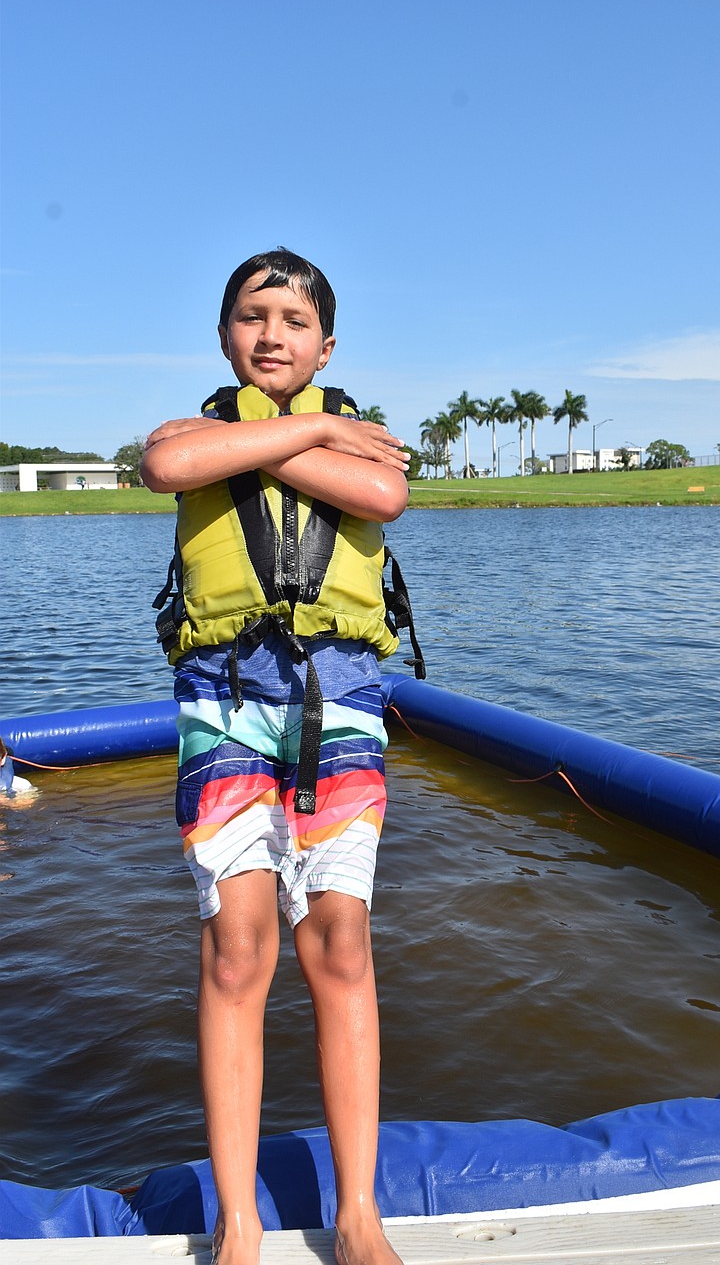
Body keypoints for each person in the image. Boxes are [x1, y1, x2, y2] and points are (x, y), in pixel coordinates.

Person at [141, 247, 411, 1265]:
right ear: (224, 336)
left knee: (339, 943)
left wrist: (288, 437)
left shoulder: (368, 450)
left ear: (326, 346)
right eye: (252, 317)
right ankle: (240, 1222)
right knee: (238, 946)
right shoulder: (184, 433)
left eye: (293, 322)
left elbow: (380, 500)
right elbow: (169, 465)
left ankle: (357, 1218)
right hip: (223, 705)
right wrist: (316, 429)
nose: (271, 335)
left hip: (336, 703)